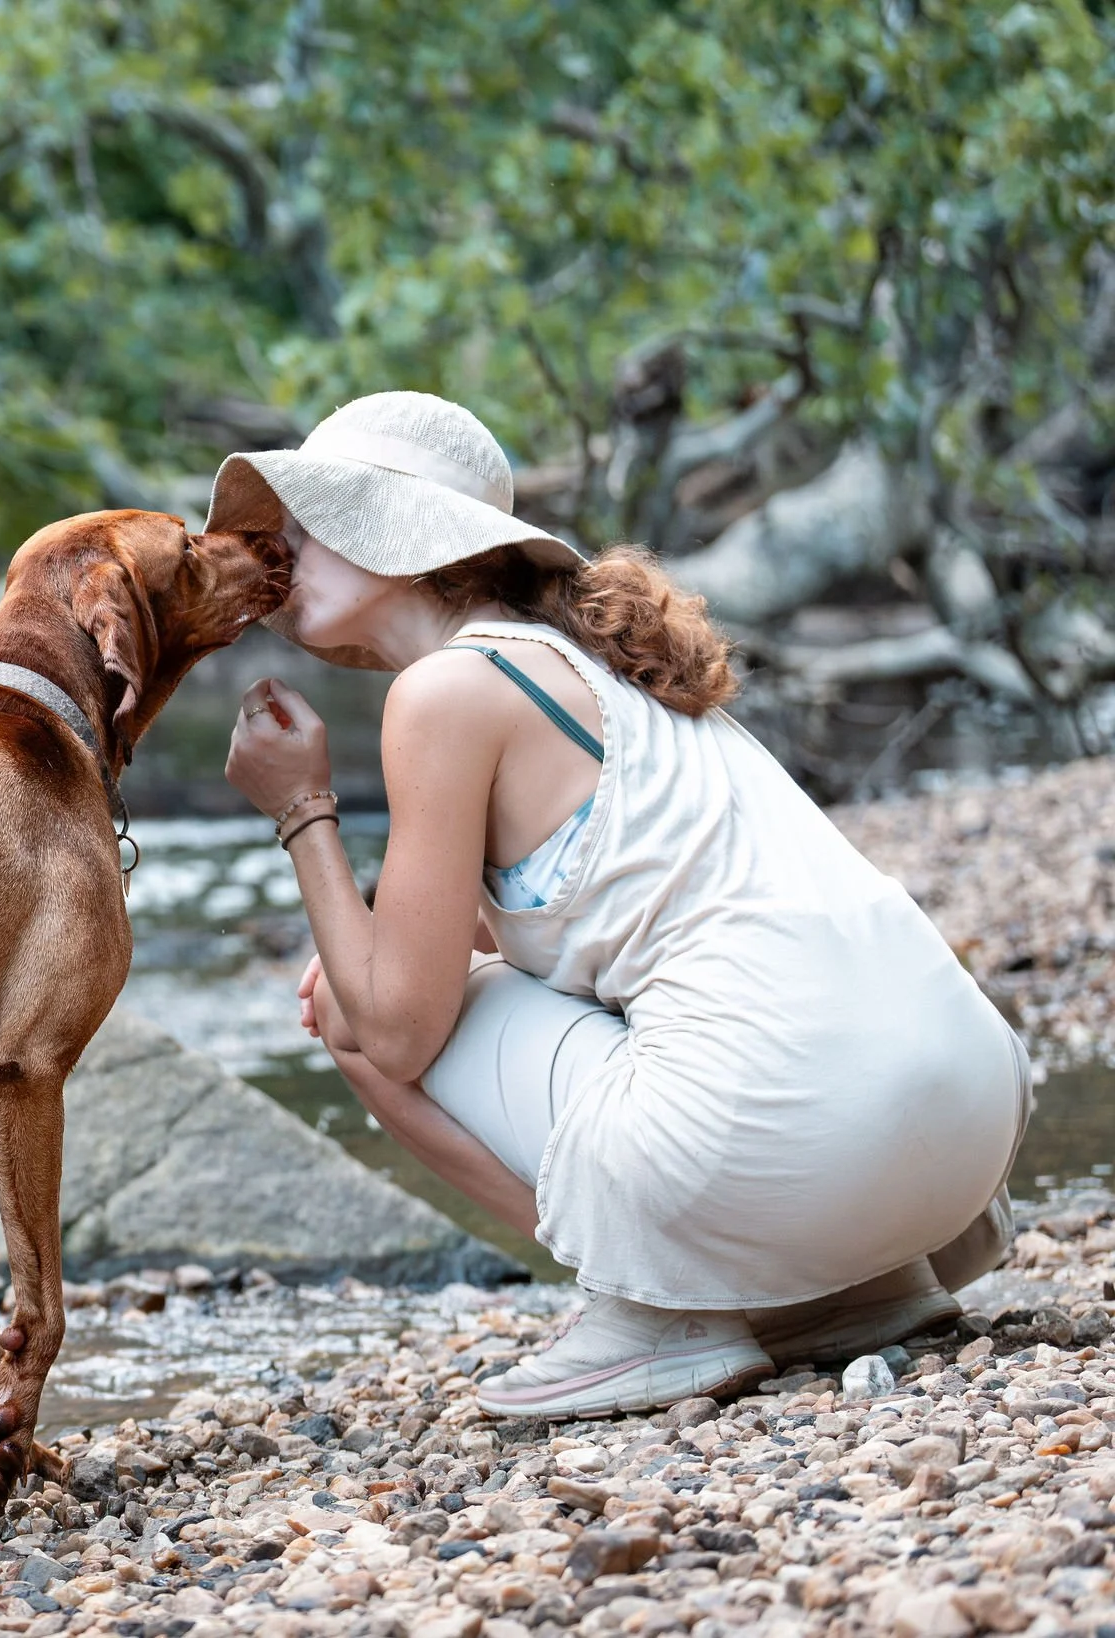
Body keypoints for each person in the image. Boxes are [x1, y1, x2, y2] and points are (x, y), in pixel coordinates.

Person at [215, 390, 1030, 1417]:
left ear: (401, 535)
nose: (276, 551)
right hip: (966, 1124)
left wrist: (300, 809)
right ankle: (856, 1290)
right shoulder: (587, 663)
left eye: (305, 522)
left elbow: (396, 1026)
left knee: (346, 1016)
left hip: (799, 1138)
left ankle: (656, 1312)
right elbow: (520, 926)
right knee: (386, 981)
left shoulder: (443, 693)